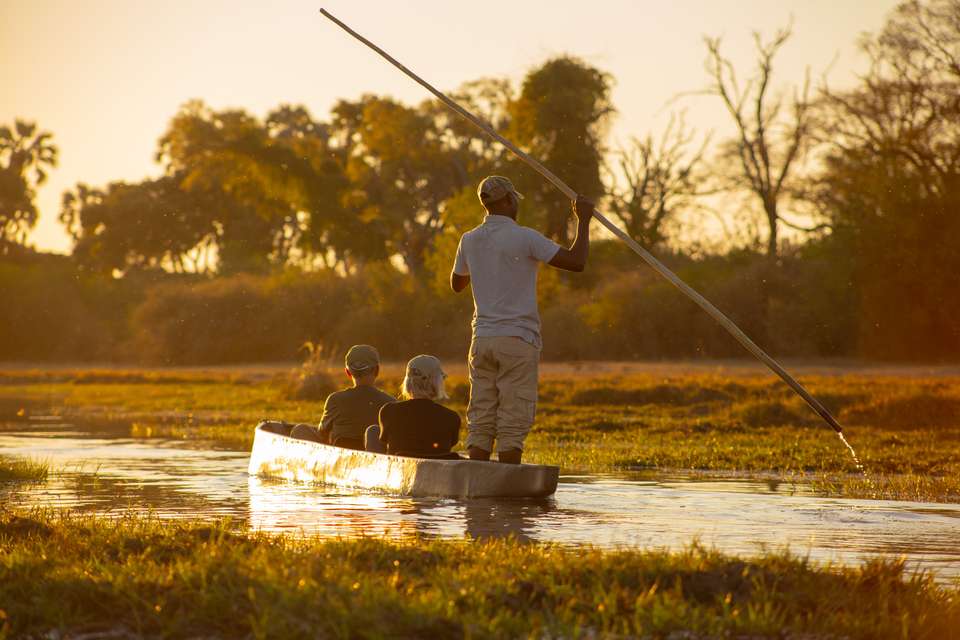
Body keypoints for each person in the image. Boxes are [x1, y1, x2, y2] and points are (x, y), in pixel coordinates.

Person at [450, 175, 593, 464]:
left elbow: (457, 284)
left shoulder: (469, 239)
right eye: (514, 198)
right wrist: (584, 220)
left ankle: (476, 491)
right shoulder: (525, 237)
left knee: (481, 421)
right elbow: (576, 263)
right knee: (512, 424)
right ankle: (506, 500)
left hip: (483, 342)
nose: (516, 203)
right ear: (507, 200)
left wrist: (484, 264)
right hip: (518, 340)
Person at [291, 344, 395, 449]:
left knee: (300, 430)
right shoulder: (391, 403)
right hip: (377, 462)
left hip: (338, 460)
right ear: (377, 370)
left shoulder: (335, 400)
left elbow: (322, 432)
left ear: (347, 372)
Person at [364, 355, 460, 459]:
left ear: (408, 382)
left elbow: (385, 440)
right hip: (436, 472)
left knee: (373, 431)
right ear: (437, 382)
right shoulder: (452, 417)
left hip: (400, 471)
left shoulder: (389, 411)